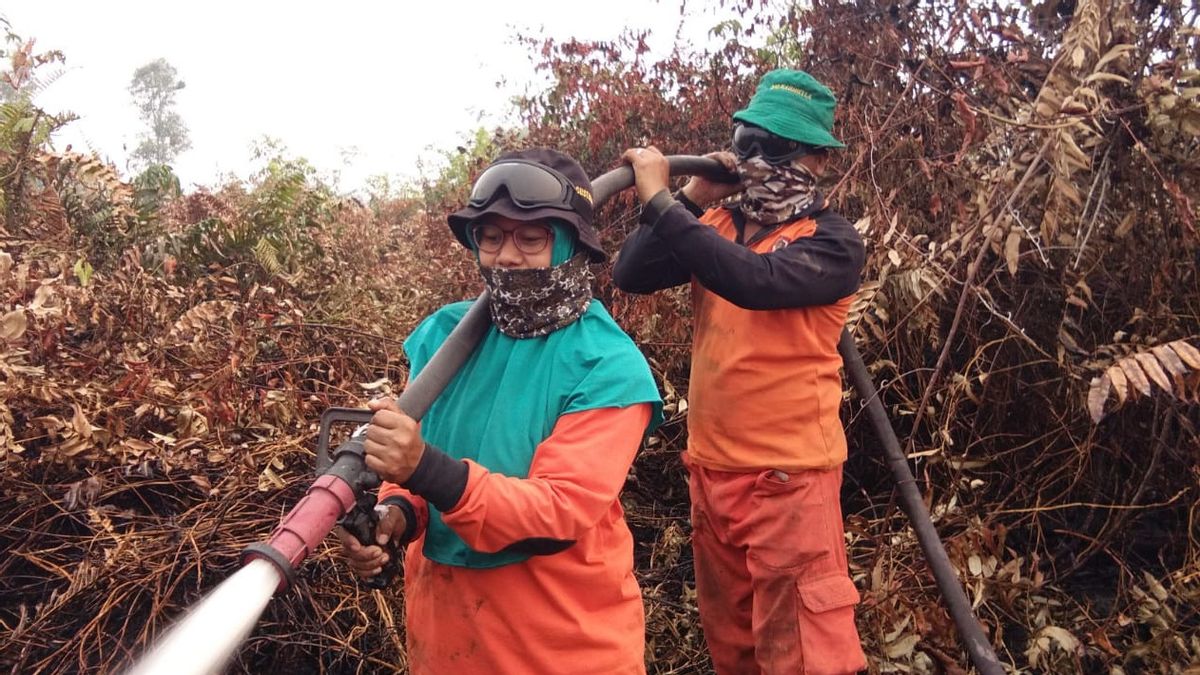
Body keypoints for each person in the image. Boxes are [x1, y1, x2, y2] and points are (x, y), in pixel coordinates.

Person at [337, 148, 663, 674]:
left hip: (561, 647)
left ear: (569, 246)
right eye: (491, 237)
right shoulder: (443, 337)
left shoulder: (608, 366)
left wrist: (422, 468)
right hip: (447, 644)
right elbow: (413, 464)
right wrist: (395, 516)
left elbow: (557, 512)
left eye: (530, 238)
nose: (506, 256)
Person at [614, 69, 868, 674]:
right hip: (712, 473)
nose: (754, 157)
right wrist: (690, 198)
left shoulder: (832, 242)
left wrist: (658, 200)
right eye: (745, 139)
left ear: (816, 160)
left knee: (802, 655)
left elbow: (753, 281)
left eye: (774, 147)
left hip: (790, 480)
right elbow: (632, 273)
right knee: (735, 649)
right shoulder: (719, 225)